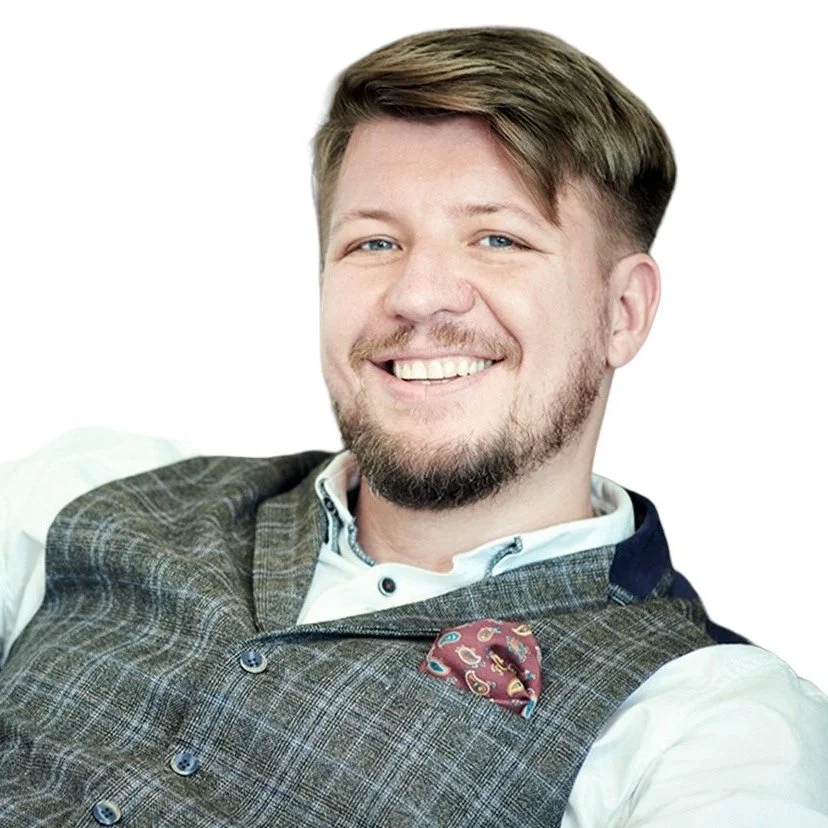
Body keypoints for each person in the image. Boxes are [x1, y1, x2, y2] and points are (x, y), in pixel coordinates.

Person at [1, 24, 827, 828]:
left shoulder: (706, 718)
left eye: (497, 238)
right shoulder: (90, 489)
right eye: (373, 243)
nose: (418, 294)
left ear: (623, 311)